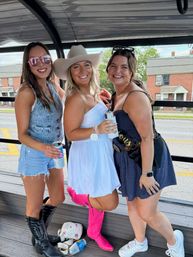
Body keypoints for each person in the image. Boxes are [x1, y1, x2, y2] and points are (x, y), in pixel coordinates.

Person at [106, 46, 185, 257]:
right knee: (132, 204)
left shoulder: (135, 97)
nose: (118, 71)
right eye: (113, 66)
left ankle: (174, 241)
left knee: (147, 212)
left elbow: (147, 137)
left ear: (131, 71)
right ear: (107, 70)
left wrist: (147, 173)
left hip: (148, 159)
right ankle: (140, 242)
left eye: (124, 66)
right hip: (128, 158)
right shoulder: (117, 94)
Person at [54, 44, 120, 251]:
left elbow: (95, 116)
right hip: (89, 155)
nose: (83, 71)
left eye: (86, 65)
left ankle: (93, 231)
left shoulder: (92, 93)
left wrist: (104, 106)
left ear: (92, 68)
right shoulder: (75, 99)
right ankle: (75, 193)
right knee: (110, 202)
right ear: (70, 73)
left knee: (101, 194)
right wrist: (96, 129)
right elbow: (71, 133)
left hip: (101, 152)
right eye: (76, 67)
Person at [15, 42, 65, 257]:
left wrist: (93, 97)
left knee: (58, 196)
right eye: (35, 60)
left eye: (45, 58)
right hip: (34, 153)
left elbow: (69, 98)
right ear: (28, 64)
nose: (41, 64)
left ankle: (40, 234)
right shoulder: (26, 92)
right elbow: (22, 135)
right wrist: (42, 148)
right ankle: (43, 245)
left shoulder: (53, 83)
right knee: (34, 206)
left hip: (55, 150)